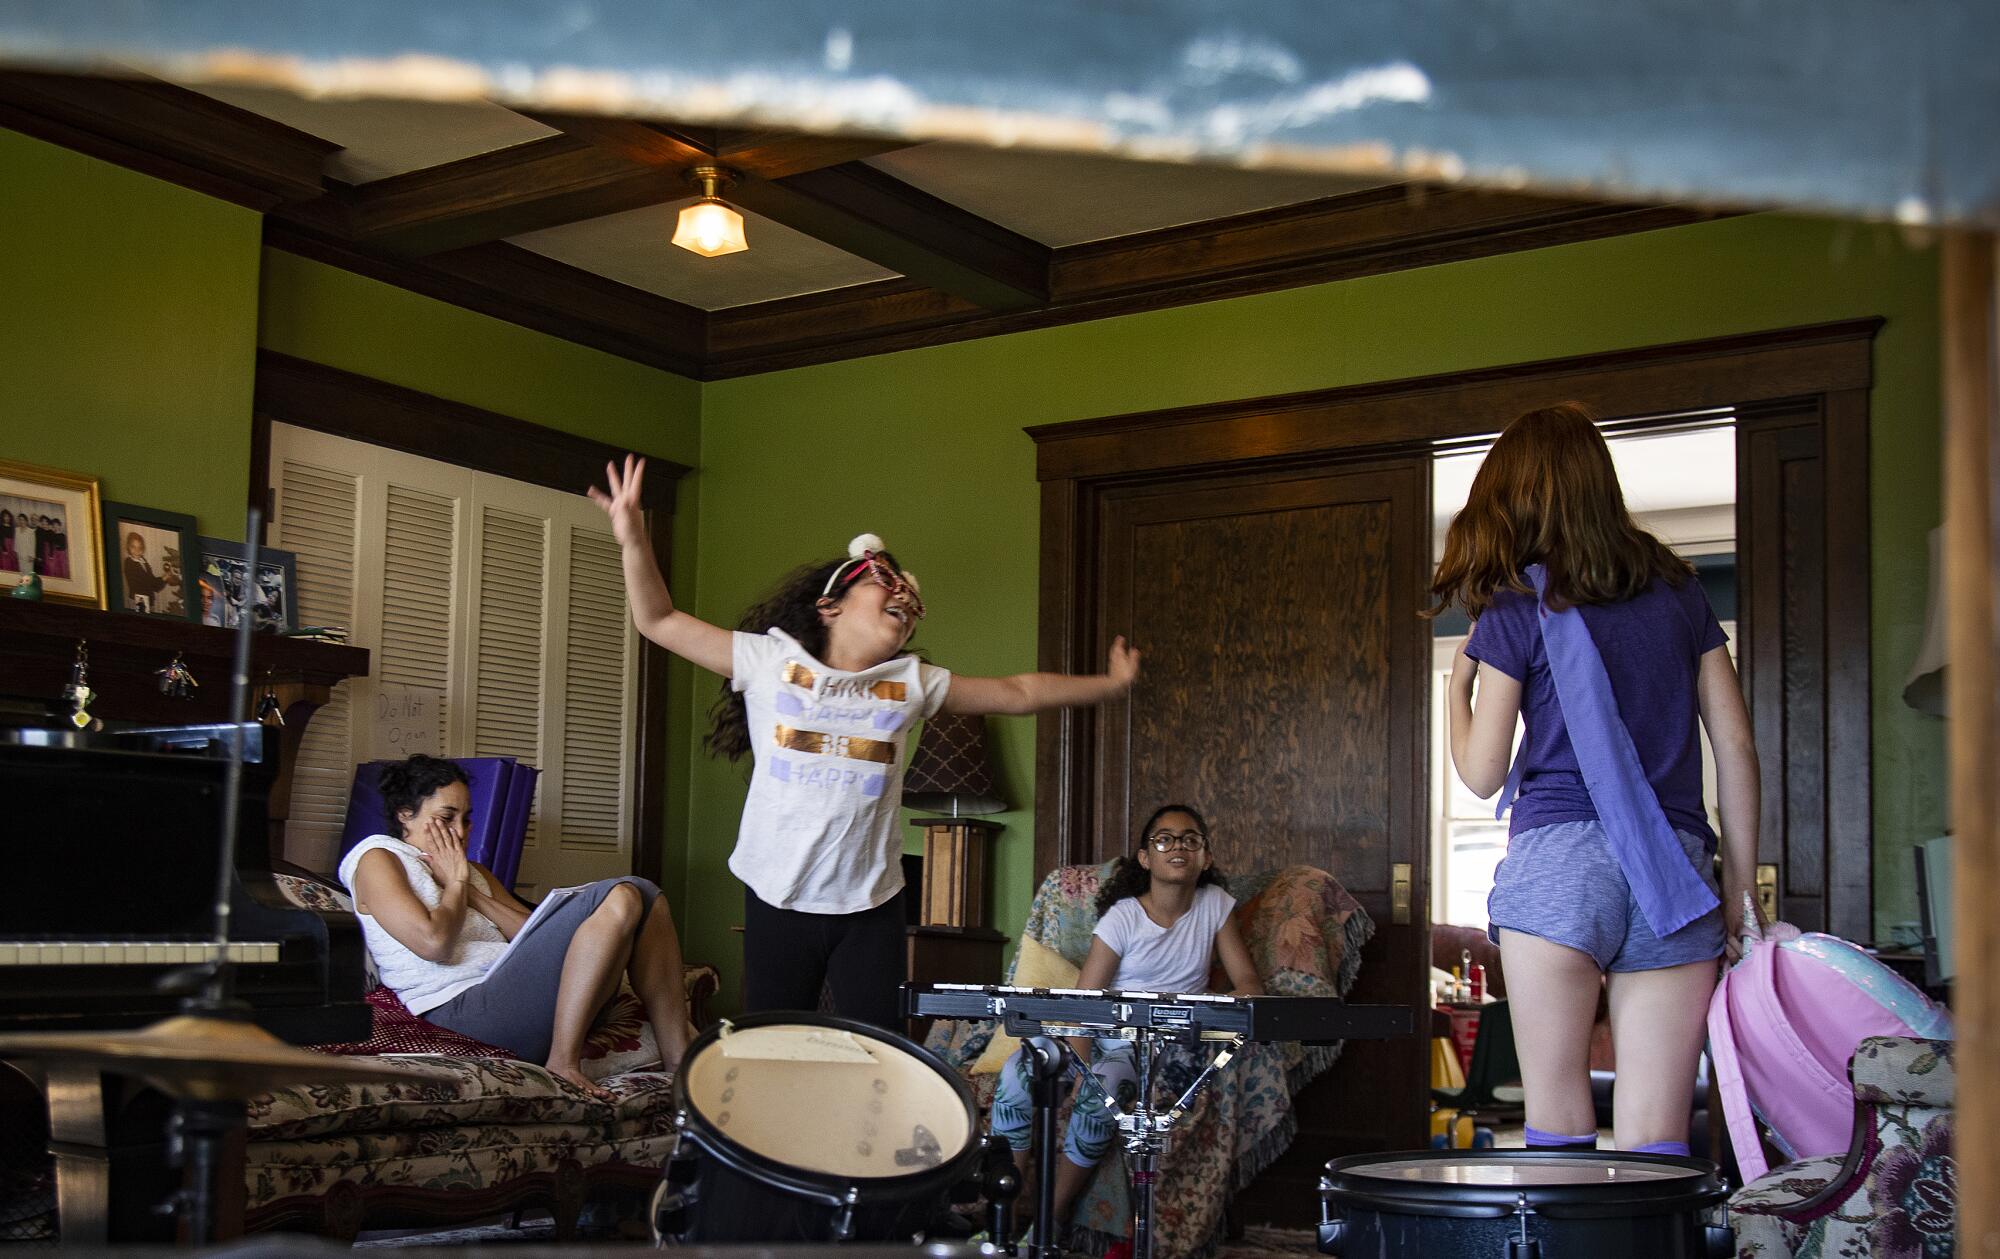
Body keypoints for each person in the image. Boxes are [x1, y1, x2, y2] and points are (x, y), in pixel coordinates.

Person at [588, 454, 1140, 1029]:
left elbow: (1017, 690)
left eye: (909, 609)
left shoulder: (909, 684)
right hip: (778, 896)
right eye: (885, 590)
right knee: (772, 1045)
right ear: (829, 607)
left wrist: (1108, 684)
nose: (903, 608)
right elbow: (658, 620)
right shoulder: (768, 659)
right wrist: (632, 537)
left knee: (876, 1047)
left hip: (871, 905)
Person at [1431, 402, 1760, 1158]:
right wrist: (1738, 892)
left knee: (1555, 1126)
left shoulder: (1516, 603)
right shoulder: (1681, 592)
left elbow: (1481, 775)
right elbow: (1736, 745)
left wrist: (1457, 693)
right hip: (1672, 870)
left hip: (1559, 867)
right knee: (1656, 1137)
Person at [339, 754, 696, 1097]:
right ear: (406, 815)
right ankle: (562, 1061)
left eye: (466, 818)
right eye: (447, 817)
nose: (460, 832)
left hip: (519, 995)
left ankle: (679, 1064)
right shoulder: (378, 857)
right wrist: (457, 885)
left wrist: (470, 890)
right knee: (622, 894)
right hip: (463, 1010)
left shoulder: (474, 872)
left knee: (648, 897)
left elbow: (529, 933)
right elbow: (433, 944)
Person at [989, 804, 1261, 1233]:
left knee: (1106, 1086)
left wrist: (1210, 1005)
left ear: (1205, 856)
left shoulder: (1215, 905)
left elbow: (1248, 982)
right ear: (1145, 858)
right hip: (1095, 1030)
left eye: (1191, 839)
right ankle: (1002, 1213)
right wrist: (1077, 1062)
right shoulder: (1124, 916)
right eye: (1163, 839)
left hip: (1151, 1044)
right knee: (1017, 1071)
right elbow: (1087, 997)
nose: (1178, 847)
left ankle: (1049, 1217)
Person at [122, 531, 169, 612]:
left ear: (143, 549)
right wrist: (160, 580)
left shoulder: (143, 561)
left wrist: (163, 578)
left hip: (148, 599)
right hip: (138, 600)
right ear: (128, 547)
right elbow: (144, 582)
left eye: (140, 547)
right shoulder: (129, 562)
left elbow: (152, 581)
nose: (137, 550)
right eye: (133, 547)